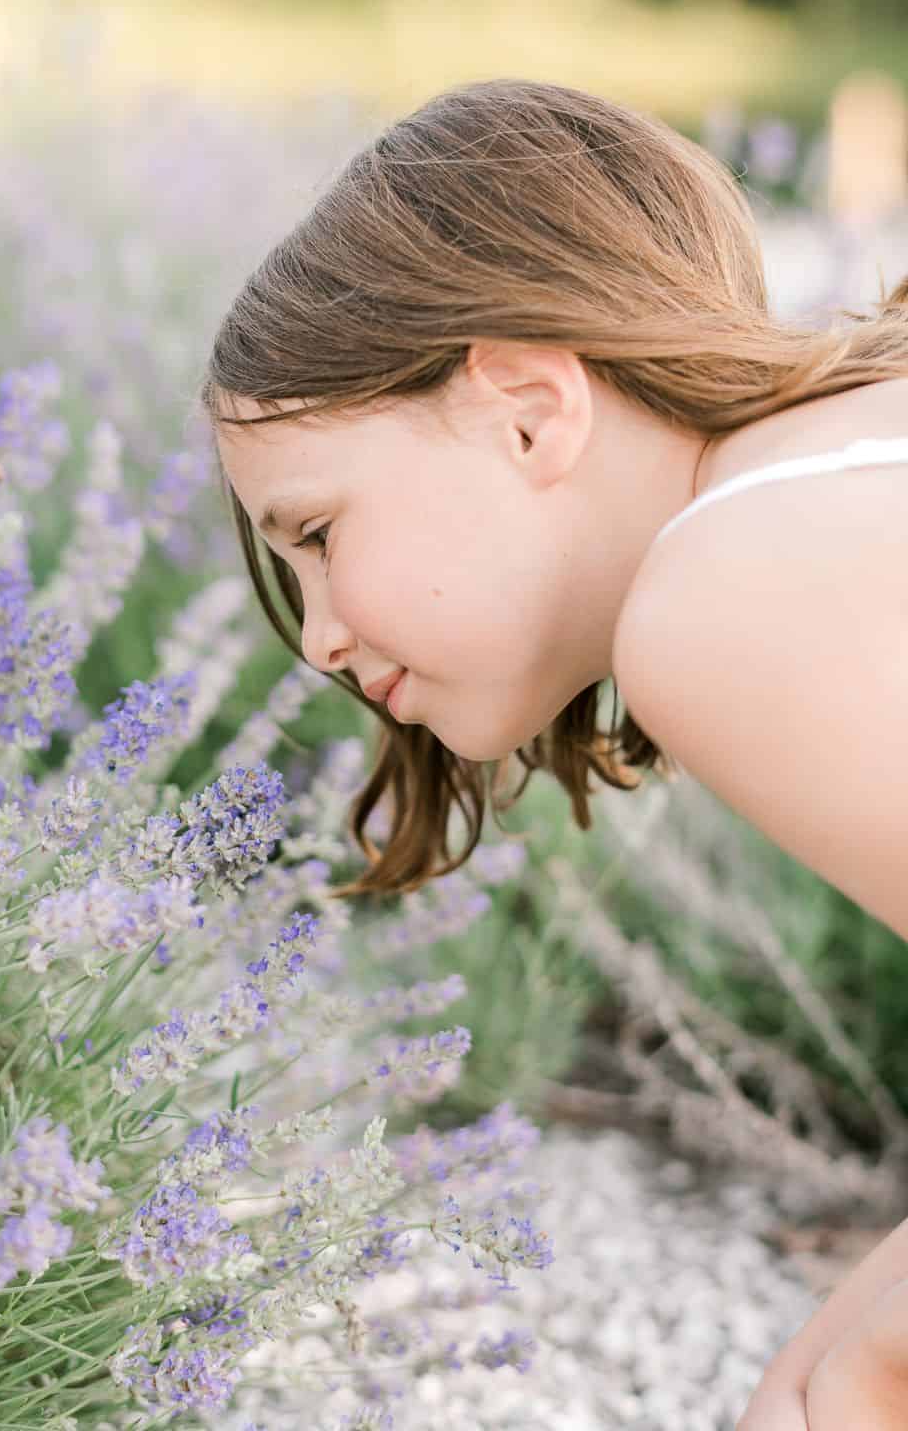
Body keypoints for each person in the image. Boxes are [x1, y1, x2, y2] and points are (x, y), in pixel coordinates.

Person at [198, 77, 908, 1428]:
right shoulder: (828, 471)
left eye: (323, 537)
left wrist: (872, 1367)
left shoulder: (720, 601)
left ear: (527, 409)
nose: (322, 640)